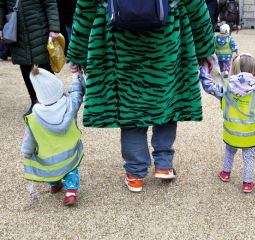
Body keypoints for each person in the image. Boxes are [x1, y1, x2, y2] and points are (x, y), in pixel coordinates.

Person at [67, 0, 215, 192]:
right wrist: (205, 50)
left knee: (131, 111)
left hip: (120, 45)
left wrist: (77, 54)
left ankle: (135, 174)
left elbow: (85, 9)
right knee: (167, 103)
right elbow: (196, 7)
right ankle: (164, 164)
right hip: (166, 44)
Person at [199, 54, 255, 192]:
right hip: (250, 137)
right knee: (249, 157)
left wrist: (204, 69)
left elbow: (208, 86)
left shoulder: (225, 88)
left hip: (231, 134)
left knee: (229, 152)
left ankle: (225, 173)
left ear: (234, 70)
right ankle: (247, 183)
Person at [21, 65, 86, 206]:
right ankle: (70, 193)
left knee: (51, 169)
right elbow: (76, 94)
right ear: (58, 89)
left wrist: (26, 152)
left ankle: (55, 184)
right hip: (70, 151)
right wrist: (75, 77)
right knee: (71, 168)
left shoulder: (33, 117)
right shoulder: (70, 104)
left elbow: (29, 138)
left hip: (48, 156)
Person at [0, 0, 60, 116]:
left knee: (43, 65)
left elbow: (50, 3)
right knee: (25, 65)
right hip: (17, 30)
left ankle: (55, 102)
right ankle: (35, 101)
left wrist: (54, 28)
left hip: (39, 27)